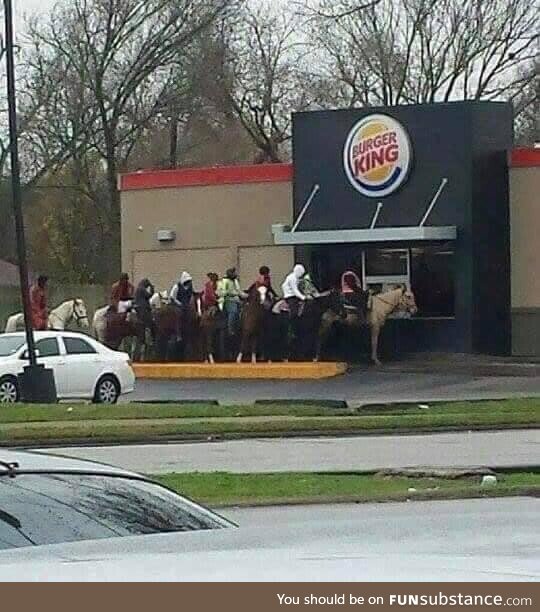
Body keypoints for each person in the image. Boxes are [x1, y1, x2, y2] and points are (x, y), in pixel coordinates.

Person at [217, 267, 246, 336]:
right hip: (228, 300)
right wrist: (230, 293)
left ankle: (239, 326)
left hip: (237, 300)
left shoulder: (235, 281)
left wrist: (246, 295)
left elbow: (239, 291)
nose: (235, 274)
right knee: (233, 312)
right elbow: (221, 292)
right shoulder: (224, 281)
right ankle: (230, 330)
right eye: (233, 273)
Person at [133, 278, 155, 360]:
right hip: (143, 308)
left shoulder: (138, 289)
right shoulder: (141, 289)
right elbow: (149, 296)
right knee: (149, 320)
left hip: (138, 307)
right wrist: (152, 289)